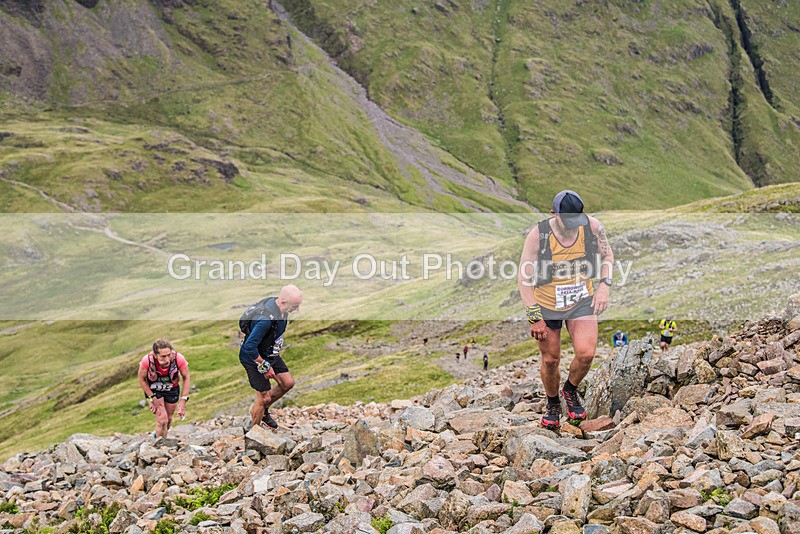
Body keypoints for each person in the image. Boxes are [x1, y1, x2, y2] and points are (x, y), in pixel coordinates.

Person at [518, 190, 614, 430]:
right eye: (567, 222)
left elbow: (608, 255)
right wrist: (534, 317)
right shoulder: (538, 235)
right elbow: (524, 278)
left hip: (581, 300)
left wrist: (604, 286)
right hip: (547, 304)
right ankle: (552, 403)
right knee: (551, 360)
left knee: (586, 354)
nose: (573, 227)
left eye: (576, 221)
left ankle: (569, 390)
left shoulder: (592, 227)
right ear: (554, 214)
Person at [239, 285, 303, 430]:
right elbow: (249, 347)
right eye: (295, 306)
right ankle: (254, 434)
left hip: (269, 353)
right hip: (253, 358)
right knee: (264, 397)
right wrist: (264, 366)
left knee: (287, 383)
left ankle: (263, 410)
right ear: (283, 301)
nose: (297, 310)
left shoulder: (281, 309)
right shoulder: (265, 321)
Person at [138, 339, 191, 439]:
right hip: (154, 389)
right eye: (163, 356)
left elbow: (186, 377)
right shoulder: (147, 361)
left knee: (169, 419)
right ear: (155, 355)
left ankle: (162, 439)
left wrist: (183, 399)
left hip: (171, 388)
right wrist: (151, 397)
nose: (167, 360)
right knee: (162, 419)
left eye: (169, 355)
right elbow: (141, 379)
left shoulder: (178, 358)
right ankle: (159, 444)